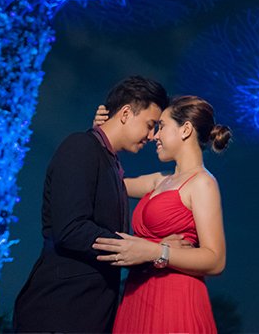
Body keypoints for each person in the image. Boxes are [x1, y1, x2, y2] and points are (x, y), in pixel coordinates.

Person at [13, 75, 169, 333]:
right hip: (59, 310)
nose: (152, 136)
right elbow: (71, 229)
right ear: (126, 113)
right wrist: (145, 252)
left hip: (88, 313)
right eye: (150, 125)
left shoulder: (111, 165)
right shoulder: (80, 147)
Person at [92, 95, 231, 333]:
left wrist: (156, 251)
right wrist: (100, 136)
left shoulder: (202, 183)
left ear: (185, 129)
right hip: (137, 297)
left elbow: (216, 260)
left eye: (162, 127)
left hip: (175, 301)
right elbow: (105, 183)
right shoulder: (159, 181)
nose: (154, 136)